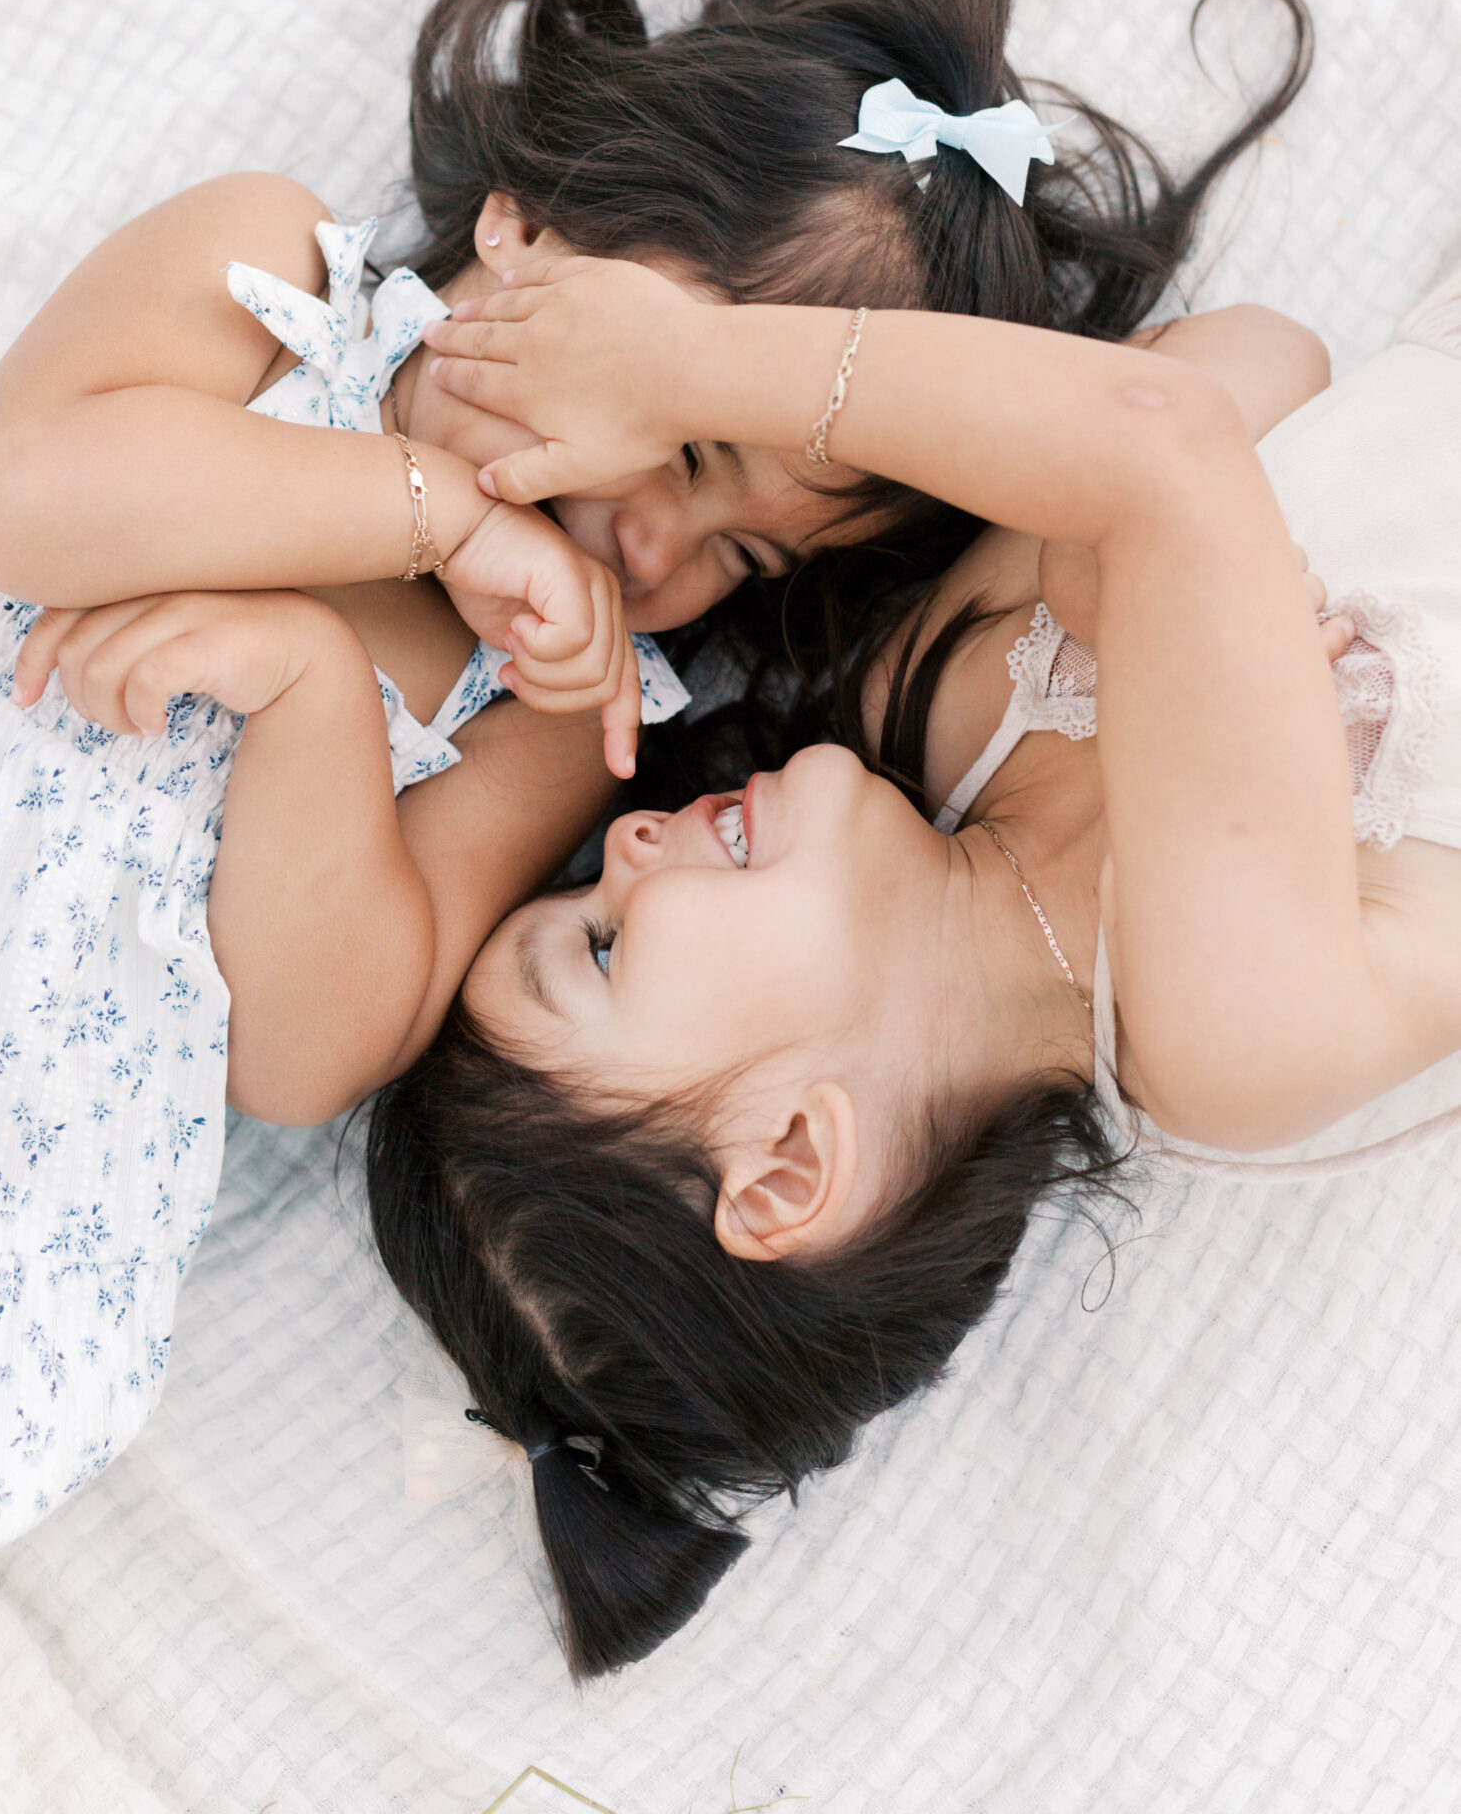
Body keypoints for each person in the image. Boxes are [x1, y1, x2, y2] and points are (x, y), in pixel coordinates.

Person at [0, 0, 1299, 1612]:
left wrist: (314, 700)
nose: (659, 555)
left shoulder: (563, 703)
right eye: (687, 446)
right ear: (527, 229)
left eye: (741, 557)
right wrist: (434, 517)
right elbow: (25, 500)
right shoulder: (271, 293)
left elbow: (306, 1052)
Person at [367, 225, 1461, 1681]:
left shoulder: (940, 696)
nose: (622, 846)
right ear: (788, 1164)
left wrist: (1140, 564)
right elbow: (1164, 442)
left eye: (580, 889)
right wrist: (689, 369)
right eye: (608, 949)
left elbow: (1264, 354)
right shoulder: (1224, 1044)